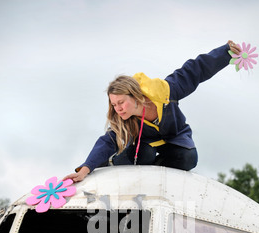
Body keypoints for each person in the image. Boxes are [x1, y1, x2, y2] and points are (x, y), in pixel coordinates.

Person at [64, 40, 241, 183]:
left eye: (121, 103)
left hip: (174, 137)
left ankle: (155, 171)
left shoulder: (165, 92)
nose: (117, 109)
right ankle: (113, 161)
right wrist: (85, 169)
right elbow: (107, 141)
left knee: (189, 158)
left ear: (135, 96)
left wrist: (225, 53)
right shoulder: (124, 118)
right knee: (145, 153)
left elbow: (194, 71)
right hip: (145, 146)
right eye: (114, 104)